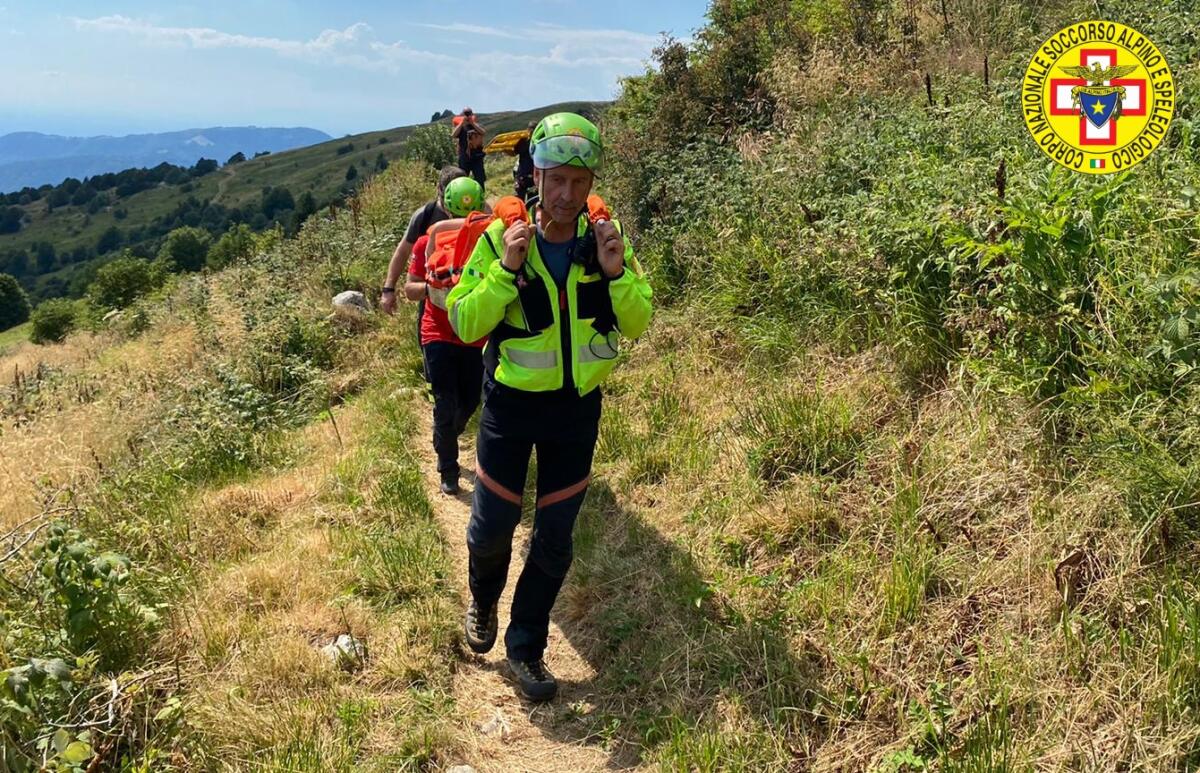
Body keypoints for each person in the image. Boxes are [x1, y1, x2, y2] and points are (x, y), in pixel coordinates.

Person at [445, 113, 653, 702]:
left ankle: (526, 646)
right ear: (535, 176)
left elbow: (639, 319)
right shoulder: (498, 239)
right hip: (510, 410)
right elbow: (464, 322)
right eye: (556, 179)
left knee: (556, 539)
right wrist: (506, 272)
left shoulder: (605, 239)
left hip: (576, 413)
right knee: (492, 528)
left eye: (579, 181)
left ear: (591, 183)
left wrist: (616, 273)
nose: (566, 194)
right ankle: (483, 600)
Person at [401, 176, 489, 495]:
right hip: (437, 333)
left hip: (473, 336)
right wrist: (434, 288)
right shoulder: (428, 243)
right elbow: (411, 289)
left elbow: (409, 290)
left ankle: (448, 434)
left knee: (468, 401)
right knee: (445, 402)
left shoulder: (487, 242)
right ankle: (448, 469)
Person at [380, 165, 467, 317]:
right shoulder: (425, 216)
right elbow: (403, 251)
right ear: (439, 190)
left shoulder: (480, 209)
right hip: (433, 297)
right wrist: (388, 288)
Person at [451, 107, 486, 187]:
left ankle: (480, 193)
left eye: (469, 113)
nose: (467, 116)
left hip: (477, 156)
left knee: (479, 178)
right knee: (463, 178)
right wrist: (461, 123)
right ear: (462, 115)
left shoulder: (476, 125)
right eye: (466, 114)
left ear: (472, 114)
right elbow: (453, 135)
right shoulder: (460, 127)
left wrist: (472, 123)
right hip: (464, 157)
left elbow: (483, 132)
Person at [512, 122, 535, 203]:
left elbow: (514, 153)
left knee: (532, 201)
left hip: (532, 175)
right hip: (523, 175)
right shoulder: (523, 141)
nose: (531, 131)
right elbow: (514, 153)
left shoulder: (538, 142)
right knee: (519, 200)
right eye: (530, 129)